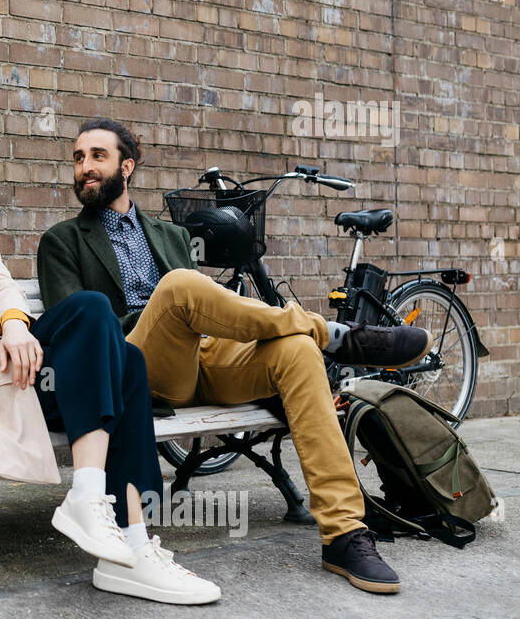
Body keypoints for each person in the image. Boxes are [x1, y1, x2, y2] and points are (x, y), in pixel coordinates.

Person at [37, 118, 434, 594]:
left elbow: (201, 312)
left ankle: (344, 532)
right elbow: (78, 335)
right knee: (181, 287)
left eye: (96, 156)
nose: (84, 168)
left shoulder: (172, 235)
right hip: (135, 367)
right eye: (78, 158)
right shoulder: (62, 241)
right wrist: (166, 311)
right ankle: (334, 332)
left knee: (296, 352)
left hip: (203, 358)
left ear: (127, 166)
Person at [0, 99, 220, 604]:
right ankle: (114, 525)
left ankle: (123, 533)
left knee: (118, 345)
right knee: (113, 348)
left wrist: (12, 321)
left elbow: (4, 285)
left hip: (12, 361)